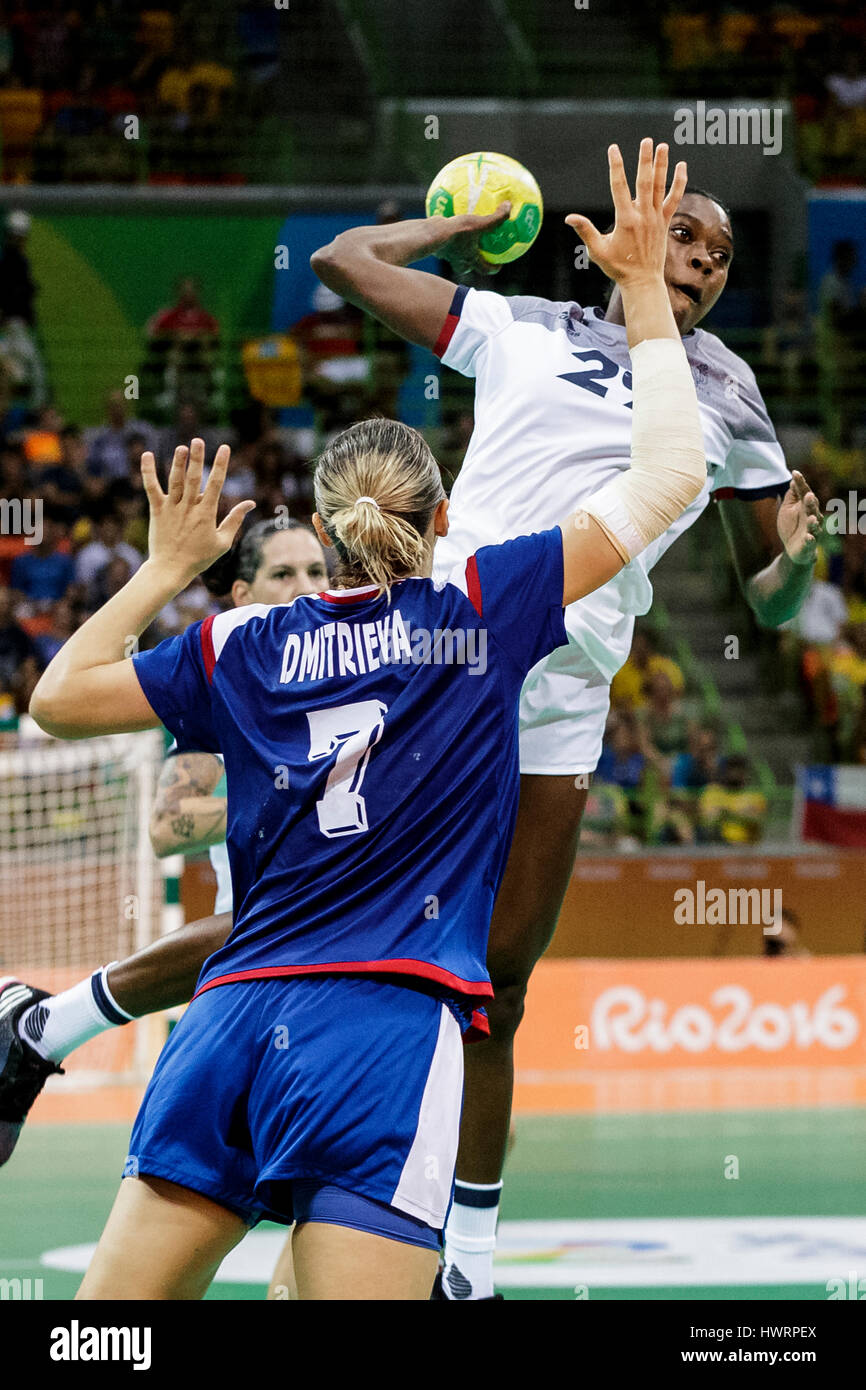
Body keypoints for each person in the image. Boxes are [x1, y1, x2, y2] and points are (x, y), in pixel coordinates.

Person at [5, 142, 711, 1300]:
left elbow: (56, 698)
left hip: (227, 1023)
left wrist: (164, 565)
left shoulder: (243, 642)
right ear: (443, 520)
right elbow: (671, 473)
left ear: (322, 532)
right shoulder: (481, 611)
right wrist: (637, 286)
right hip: (379, 1034)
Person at [305, 142, 822, 1298]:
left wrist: (797, 549)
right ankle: (73, 1029)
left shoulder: (727, 393)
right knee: (326, 920)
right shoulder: (518, 325)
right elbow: (342, 259)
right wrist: (457, 223)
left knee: (500, 978)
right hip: (446, 652)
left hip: (568, 685)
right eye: (682, 234)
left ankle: (469, 1269)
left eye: (718, 253)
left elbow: (769, 600)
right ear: (622, 240)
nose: (698, 257)